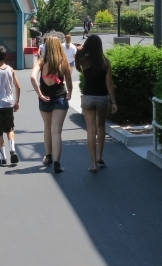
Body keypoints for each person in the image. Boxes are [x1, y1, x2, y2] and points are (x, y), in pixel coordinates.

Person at [30, 36, 73, 173]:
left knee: (47, 128)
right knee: (57, 131)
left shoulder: (41, 62)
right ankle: (57, 163)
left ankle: (48, 156)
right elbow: (69, 82)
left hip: (45, 99)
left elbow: (32, 77)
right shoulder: (64, 62)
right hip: (60, 98)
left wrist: (40, 94)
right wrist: (70, 93)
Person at [76, 35, 117, 173]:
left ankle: (93, 163)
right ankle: (100, 156)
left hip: (88, 97)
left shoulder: (85, 61)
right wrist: (113, 101)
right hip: (102, 98)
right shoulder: (105, 62)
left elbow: (76, 65)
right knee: (101, 127)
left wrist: (79, 51)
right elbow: (109, 84)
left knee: (91, 129)